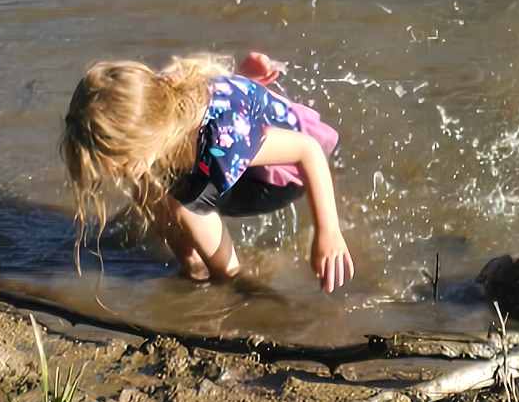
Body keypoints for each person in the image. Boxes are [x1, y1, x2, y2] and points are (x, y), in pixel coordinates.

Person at [62, 47, 355, 290]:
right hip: (237, 140)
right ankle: (191, 265)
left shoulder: (223, 138)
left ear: (148, 137)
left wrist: (328, 231)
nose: (114, 173)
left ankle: (226, 276)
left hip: (278, 177)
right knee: (148, 186)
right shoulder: (157, 95)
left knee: (182, 205)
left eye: (120, 162)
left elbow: (309, 150)